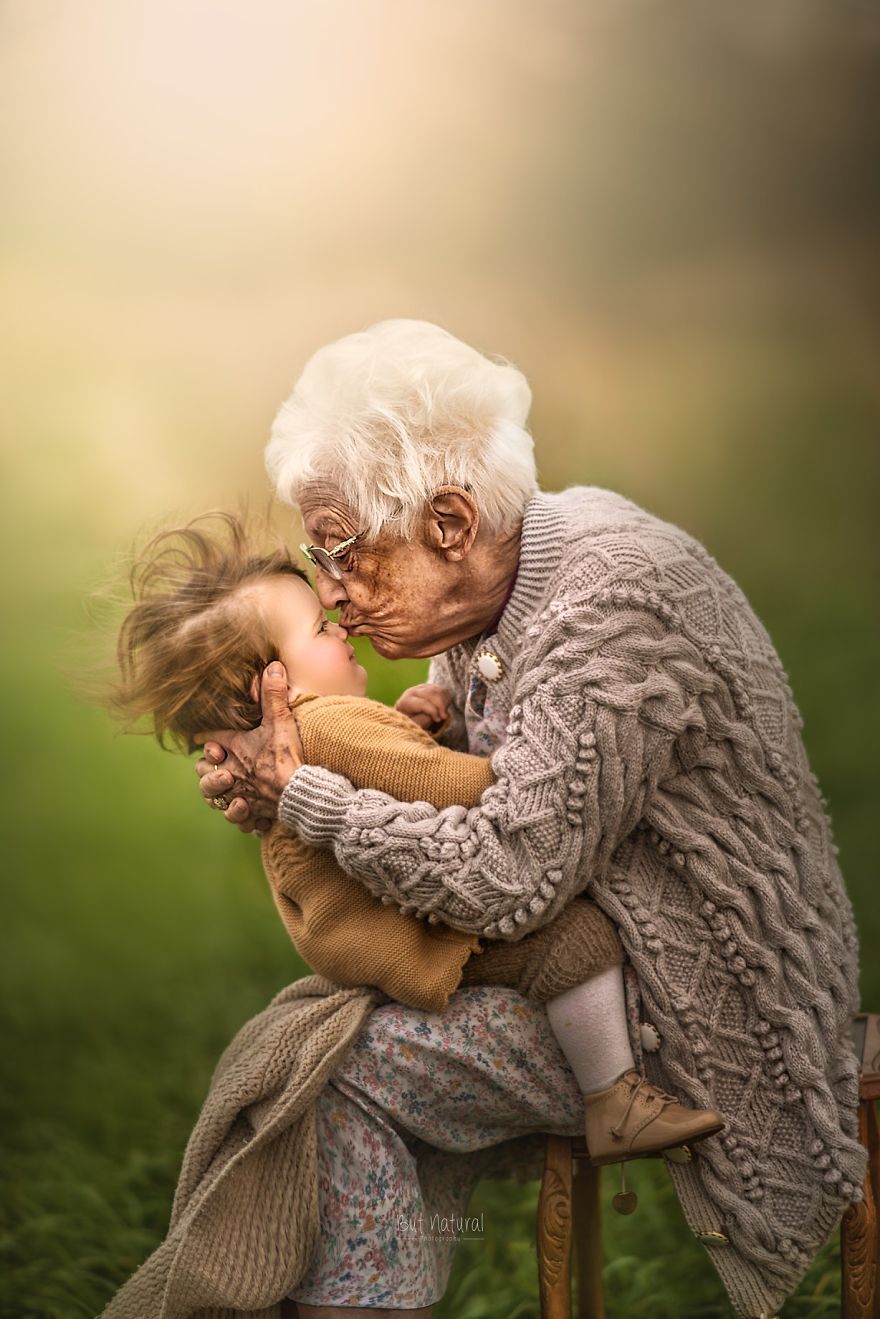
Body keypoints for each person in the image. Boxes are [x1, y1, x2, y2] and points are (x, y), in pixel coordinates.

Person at [193, 318, 866, 1319]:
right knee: (323, 1033)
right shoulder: (496, 585)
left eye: (341, 556)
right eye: (315, 557)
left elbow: (510, 872)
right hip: (592, 959)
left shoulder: (611, 605)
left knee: (332, 1068)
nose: (330, 597)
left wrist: (306, 797)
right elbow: (483, 775)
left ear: (451, 524)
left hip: (698, 998)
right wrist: (296, 778)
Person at [109, 511, 723, 1167]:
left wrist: (410, 724)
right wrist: (523, 769)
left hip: (363, 928)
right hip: (410, 935)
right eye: (318, 629)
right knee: (574, 939)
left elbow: (385, 777)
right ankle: (615, 1098)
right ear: (271, 688)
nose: (341, 628)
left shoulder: (325, 731)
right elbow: (440, 787)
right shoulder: (330, 727)